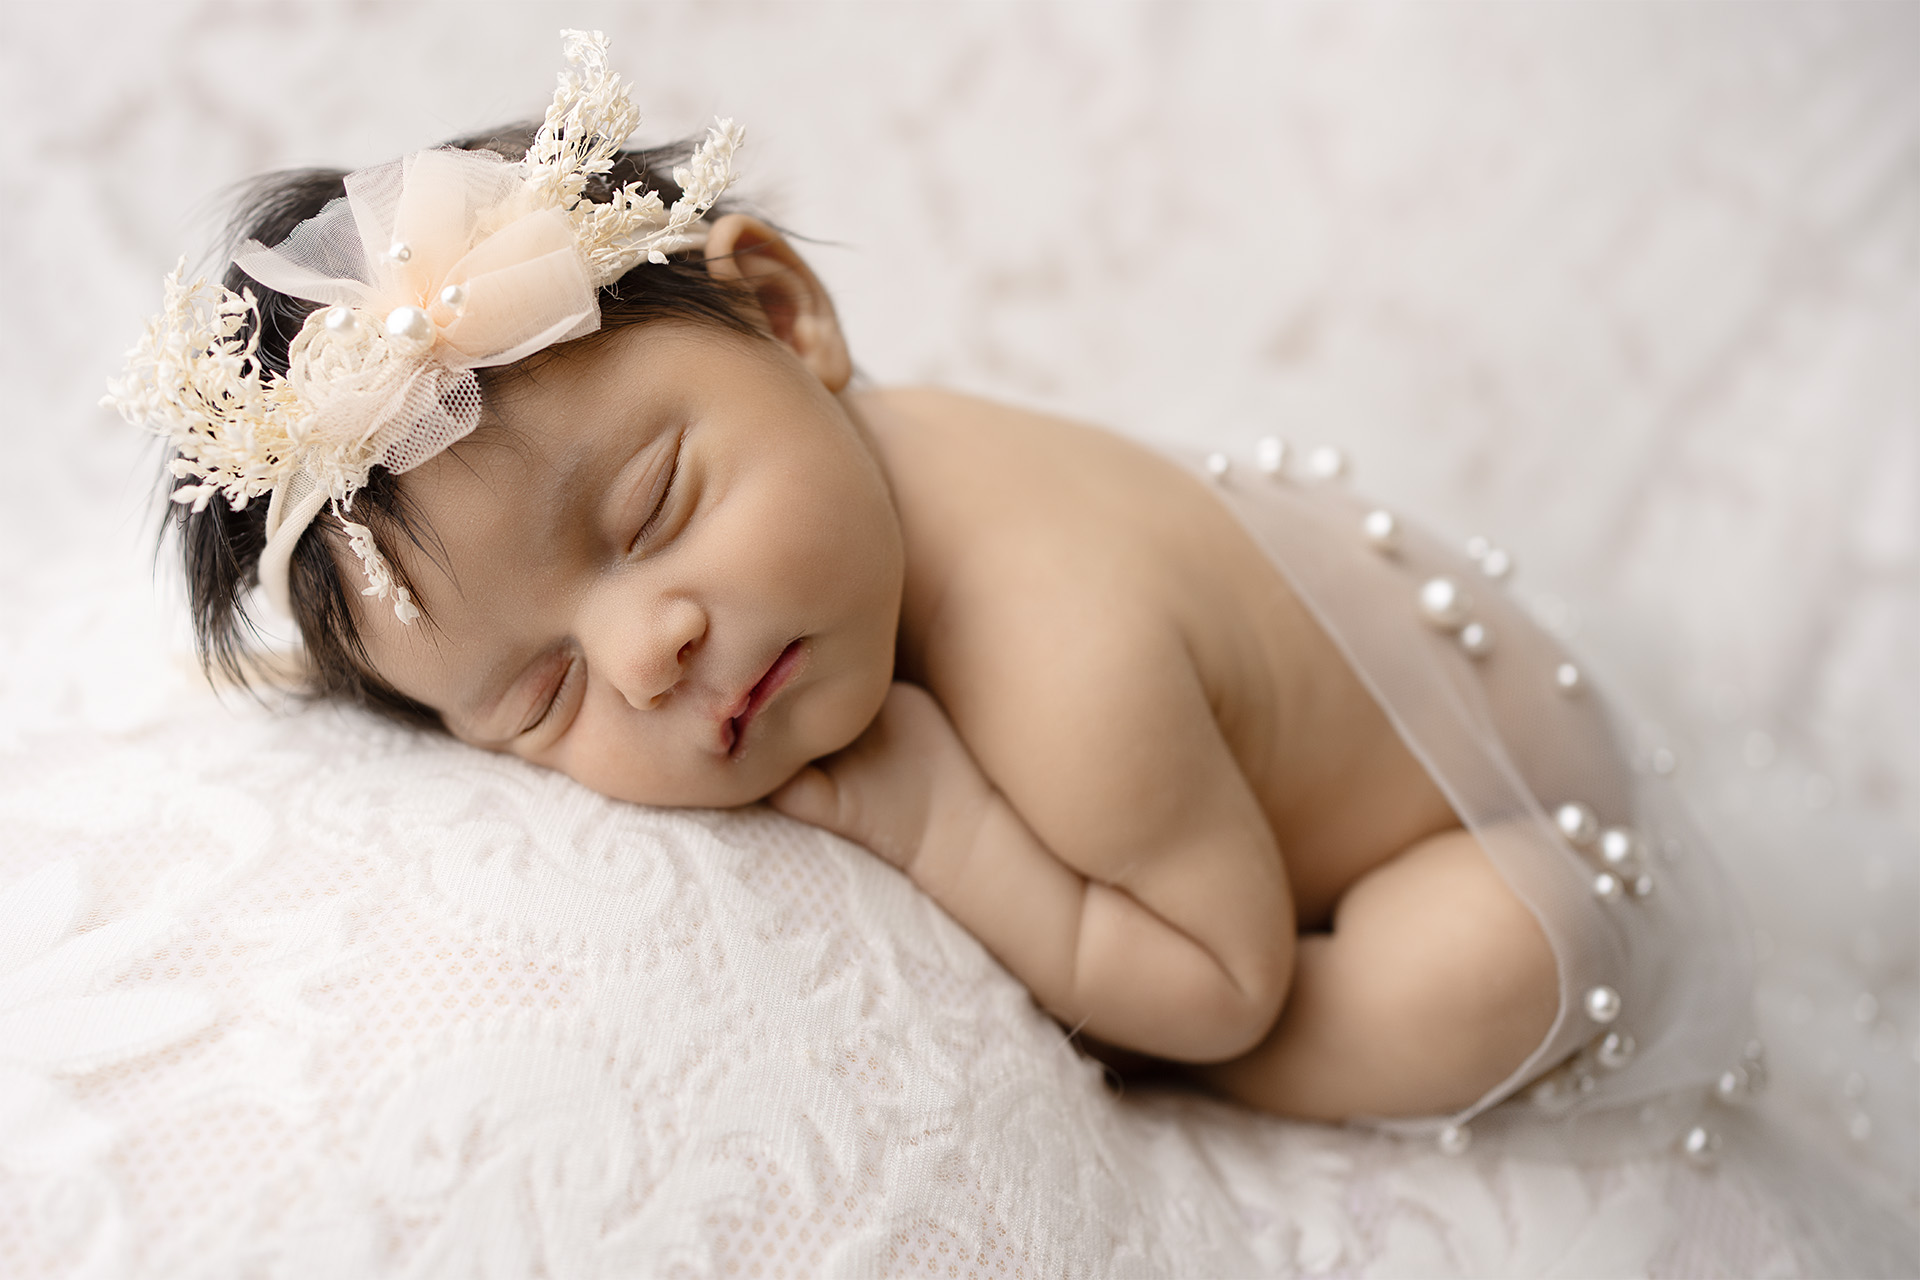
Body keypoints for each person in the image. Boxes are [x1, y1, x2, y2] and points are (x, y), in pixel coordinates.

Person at [107, 30, 1754, 1153]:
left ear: (787, 314)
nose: (649, 651)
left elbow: (1223, 976)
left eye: (655, 508)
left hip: (1488, 832)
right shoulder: (851, 484)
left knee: (1489, 968)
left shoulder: (1060, 646)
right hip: (1380, 688)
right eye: (542, 696)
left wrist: (943, 825)